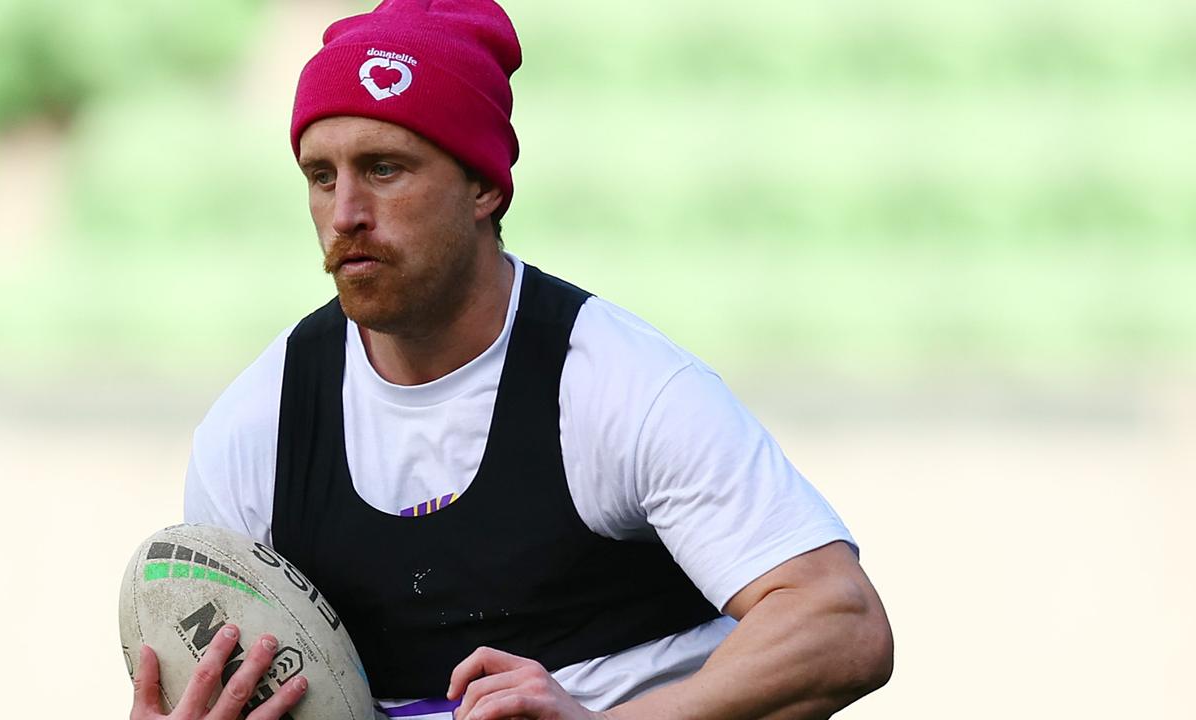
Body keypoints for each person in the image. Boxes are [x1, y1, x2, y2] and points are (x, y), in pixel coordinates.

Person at [129, 1, 893, 719]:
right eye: (321, 177)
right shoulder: (254, 431)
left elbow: (840, 620)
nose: (346, 212)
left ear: (484, 187)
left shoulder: (618, 385)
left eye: (385, 168)